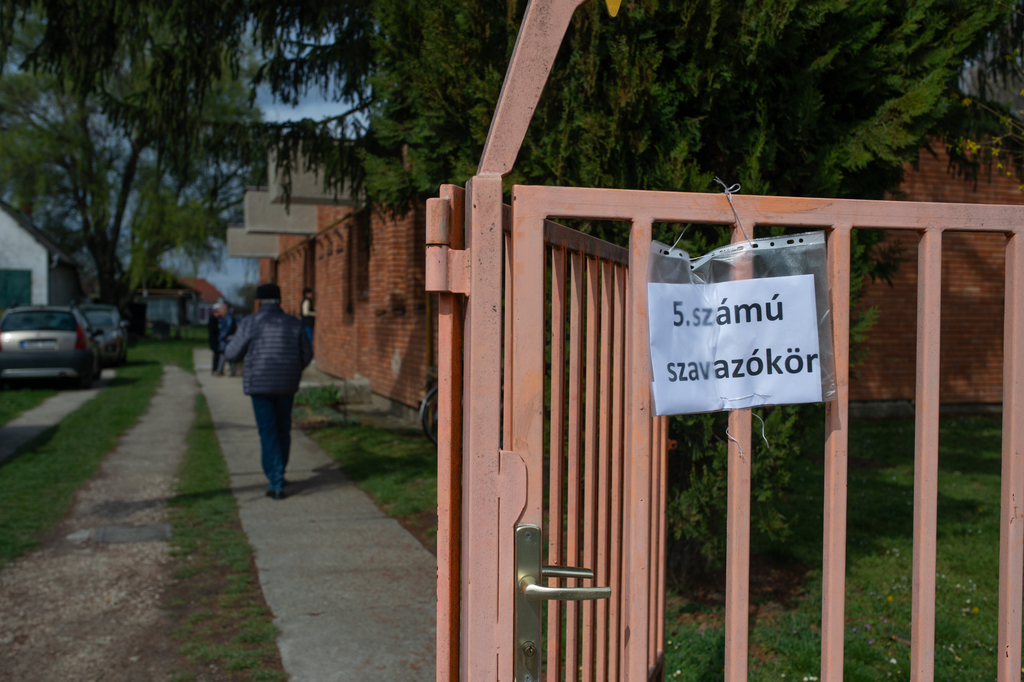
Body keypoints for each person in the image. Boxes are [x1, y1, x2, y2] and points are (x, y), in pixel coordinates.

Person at [225, 283, 312, 500]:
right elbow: (307, 354)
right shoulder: (294, 323)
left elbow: (232, 353)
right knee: (283, 428)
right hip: (286, 385)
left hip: (260, 384)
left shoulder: (250, 322)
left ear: (258, 301)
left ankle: (276, 481)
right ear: (280, 300)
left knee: (267, 430)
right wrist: (292, 369)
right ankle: (279, 471)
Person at [215, 303, 238, 376]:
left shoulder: (228, 318)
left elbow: (228, 329)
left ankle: (220, 371)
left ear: (224, 310)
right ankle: (231, 371)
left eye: (220, 310)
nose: (219, 312)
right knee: (226, 355)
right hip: (225, 339)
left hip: (227, 339)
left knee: (225, 355)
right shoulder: (225, 318)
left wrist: (221, 336)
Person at [207, 302, 223, 375]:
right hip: (215, 340)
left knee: (218, 355)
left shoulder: (217, 319)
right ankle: (214, 369)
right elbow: (214, 330)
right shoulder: (213, 319)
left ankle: (217, 369)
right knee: (216, 355)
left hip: (216, 340)